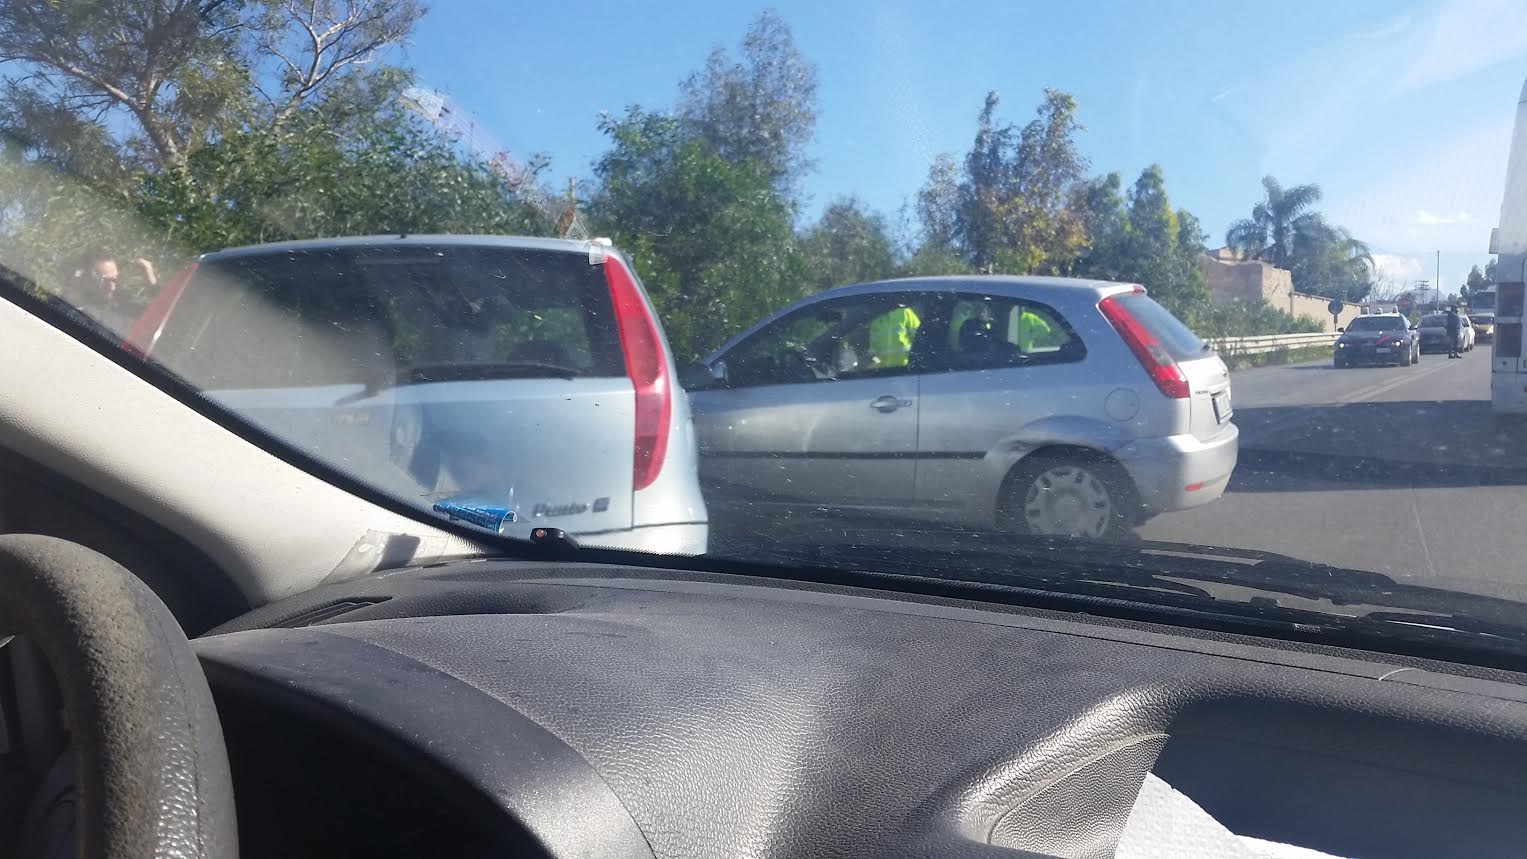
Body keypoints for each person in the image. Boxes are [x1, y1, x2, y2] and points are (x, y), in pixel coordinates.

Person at [56, 249, 157, 333]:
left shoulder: (119, 316)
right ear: (84, 276)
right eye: (104, 281)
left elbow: (156, 318)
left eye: (115, 280)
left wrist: (151, 279)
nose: (112, 287)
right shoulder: (54, 304)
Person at [869, 303, 921, 369]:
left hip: (907, 369)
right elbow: (873, 352)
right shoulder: (875, 318)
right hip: (883, 371)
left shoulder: (905, 312)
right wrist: (875, 364)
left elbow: (920, 337)